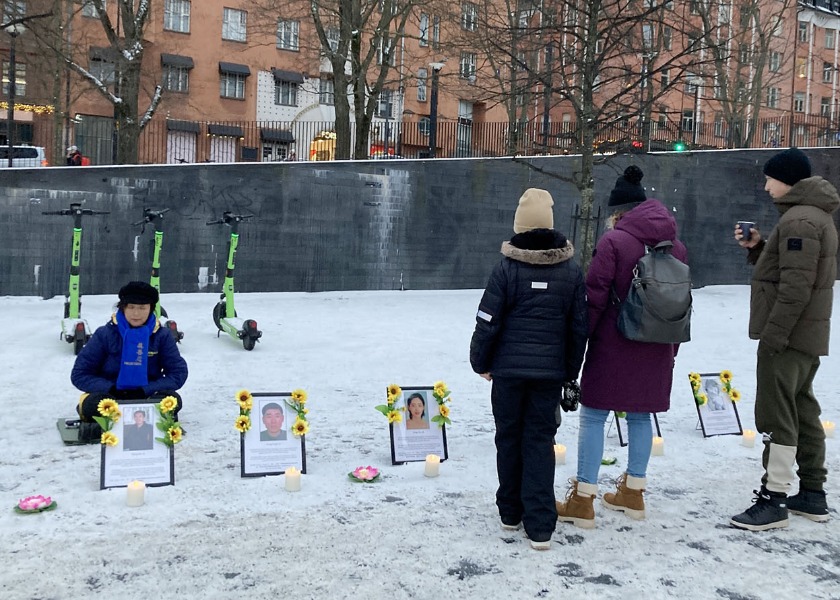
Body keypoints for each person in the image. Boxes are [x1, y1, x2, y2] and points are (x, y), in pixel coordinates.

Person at [556, 166, 687, 529]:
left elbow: (594, 299)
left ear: (617, 213)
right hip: (659, 344)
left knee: (595, 416)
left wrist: (581, 344)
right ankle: (633, 492)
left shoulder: (614, 242)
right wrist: (671, 350)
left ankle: (583, 499)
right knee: (642, 416)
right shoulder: (676, 246)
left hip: (615, 342)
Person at [470, 188, 588, 551]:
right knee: (540, 442)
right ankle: (539, 525)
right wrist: (569, 371)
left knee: (508, 438)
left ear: (519, 226)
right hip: (548, 375)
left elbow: (488, 319)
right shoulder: (570, 270)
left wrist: (481, 361)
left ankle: (510, 512)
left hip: (507, 372)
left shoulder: (506, 267)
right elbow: (578, 327)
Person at [730, 147, 838, 531]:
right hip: (806, 335)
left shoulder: (799, 222)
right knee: (803, 410)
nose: (765, 185)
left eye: (769, 178)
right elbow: (791, 273)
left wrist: (774, 334)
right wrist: (759, 248)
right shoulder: (812, 217)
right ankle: (812, 492)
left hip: (789, 336)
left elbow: (796, 287)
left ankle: (773, 498)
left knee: (778, 413)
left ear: (787, 179)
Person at [71, 282, 188, 434]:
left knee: (172, 401)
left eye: (142, 308)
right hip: (110, 397)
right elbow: (80, 374)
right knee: (92, 404)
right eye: (131, 307)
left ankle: (124, 422)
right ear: (123, 307)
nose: (136, 313)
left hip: (147, 396)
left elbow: (177, 373)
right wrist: (111, 388)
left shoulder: (162, 336)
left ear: (151, 309)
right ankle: (105, 424)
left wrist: (145, 390)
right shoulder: (105, 334)